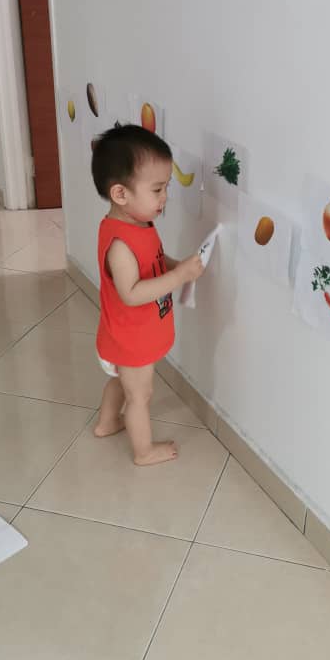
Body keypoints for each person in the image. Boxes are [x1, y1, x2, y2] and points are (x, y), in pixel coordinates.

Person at [90, 124, 204, 465]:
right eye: (157, 189)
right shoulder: (121, 245)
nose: (164, 197)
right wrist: (179, 276)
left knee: (119, 381)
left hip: (123, 334)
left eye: (166, 187)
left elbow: (152, 263)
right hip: (131, 336)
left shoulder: (137, 225)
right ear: (121, 194)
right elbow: (133, 293)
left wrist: (176, 266)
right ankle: (144, 451)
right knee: (140, 396)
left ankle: (107, 422)